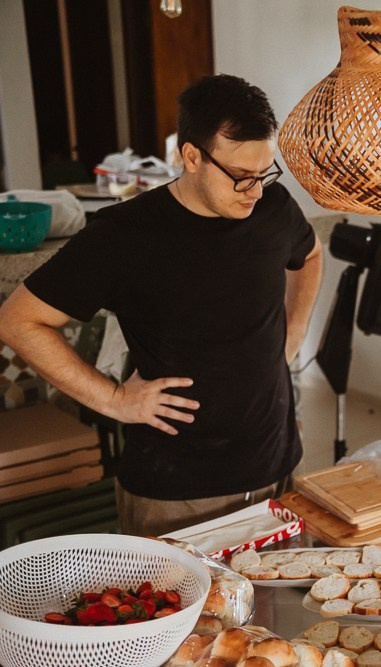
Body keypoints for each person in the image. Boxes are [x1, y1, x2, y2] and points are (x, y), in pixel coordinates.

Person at [0, 74, 324, 536]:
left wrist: (291, 337)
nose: (256, 191)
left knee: (278, 608)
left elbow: (310, 255)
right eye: (241, 177)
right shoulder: (123, 236)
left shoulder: (272, 207)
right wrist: (114, 400)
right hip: (178, 491)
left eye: (264, 173)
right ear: (191, 156)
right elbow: (18, 321)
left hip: (279, 466)